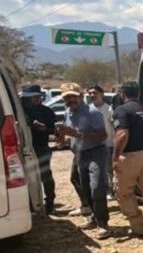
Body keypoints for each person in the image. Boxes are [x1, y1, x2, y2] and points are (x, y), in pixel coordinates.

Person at [57, 83, 111, 237]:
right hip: (80, 154)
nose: (70, 100)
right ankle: (93, 217)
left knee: (97, 187)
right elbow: (69, 133)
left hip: (96, 152)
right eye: (67, 98)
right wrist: (62, 138)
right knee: (86, 188)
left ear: (80, 96)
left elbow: (102, 136)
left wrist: (76, 134)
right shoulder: (68, 112)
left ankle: (103, 224)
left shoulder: (93, 112)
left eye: (73, 96)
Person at [112, 82, 143, 237]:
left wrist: (115, 157)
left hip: (130, 157)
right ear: (138, 93)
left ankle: (138, 227)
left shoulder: (121, 110)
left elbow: (122, 135)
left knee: (124, 193)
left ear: (122, 94)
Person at [19, 84, 57, 214]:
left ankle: (50, 202)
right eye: (31, 98)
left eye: (36, 97)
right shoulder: (20, 111)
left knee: (45, 175)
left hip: (41, 147)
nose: (34, 100)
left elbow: (54, 130)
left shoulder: (46, 111)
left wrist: (44, 128)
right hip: (24, 147)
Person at [88, 85, 116, 197]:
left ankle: (112, 191)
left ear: (102, 94)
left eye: (94, 93)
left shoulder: (109, 109)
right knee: (98, 170)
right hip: (93, 145)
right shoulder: (88, 109)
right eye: (90, 93)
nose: (92, 95)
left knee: (109, 169)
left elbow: (114, 126)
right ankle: (103, 190)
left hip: (108, 144)